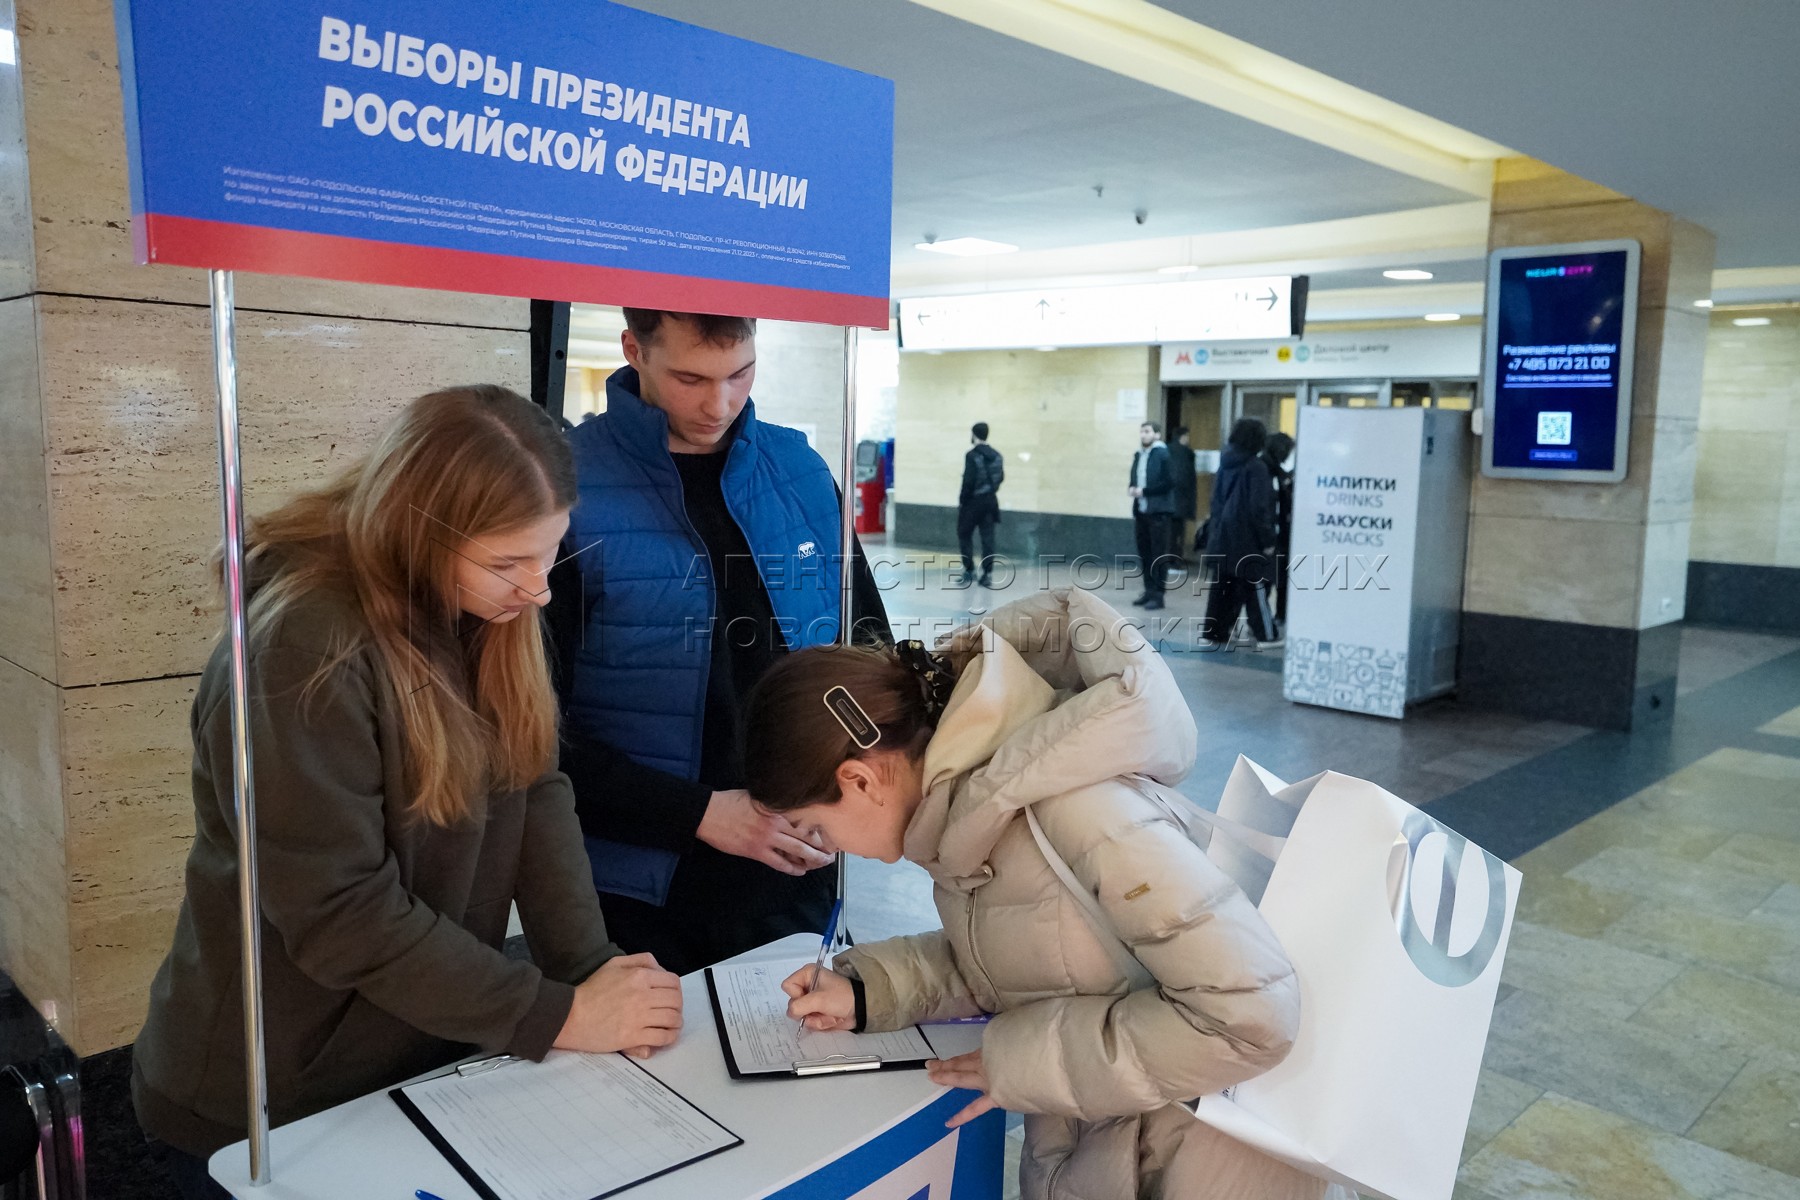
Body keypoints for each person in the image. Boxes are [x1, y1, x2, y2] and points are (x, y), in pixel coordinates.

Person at [133, 387, 683, 1200]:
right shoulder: (300, 648)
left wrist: (591, 973)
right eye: (507, 564)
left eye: (550, 553)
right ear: (419, 533)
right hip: (275, 1093)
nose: (540, 591)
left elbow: (535, 786)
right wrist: (555, 1014)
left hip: (420, 1048)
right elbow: (341, 911)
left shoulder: (486, 607)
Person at [741, 589, 1344, 1200]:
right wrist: (870, 991)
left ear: (859, 778)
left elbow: (1250, 1014)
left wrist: (1024, 1064)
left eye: (818, 827)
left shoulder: (1074, 808)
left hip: (1195, 1168)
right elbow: (1026, 959)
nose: (829, 846)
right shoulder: (972, 815)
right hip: (1108, 1148)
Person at [549, 308, 891, 977]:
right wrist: (700, 813)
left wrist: (855, 778)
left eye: (741, 374)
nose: (720, 403)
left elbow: (864, 651)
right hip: (634, 886)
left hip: (796, 862)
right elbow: (527, 730)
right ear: (633, 350)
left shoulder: (796, 468)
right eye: (690, 377)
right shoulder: (565, 487)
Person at [1203, 417, 1278, 647]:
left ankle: (1214, 632)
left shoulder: (1225, 462)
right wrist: (1267, 538)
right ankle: (1266, 634)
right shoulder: (1256, 467)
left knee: (1222, 586)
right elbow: (1259, 507)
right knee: (1255, 585)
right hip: (1247, 539)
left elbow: (1215, 501)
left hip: (1222, 536)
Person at [1127, 421, 1177, 609]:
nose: (1143, 435)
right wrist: (1132, 487)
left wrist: (1145, 492)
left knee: (1158, 555)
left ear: (1157, 434)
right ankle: (1148, 591)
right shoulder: (1139, 454)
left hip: (1159, 512)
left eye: (1147, 431)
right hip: (1141, 510)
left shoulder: (1163, 454)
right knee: (1145, 553)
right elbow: (1135, 477)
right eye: (1141, 431)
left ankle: (1158, 594)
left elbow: (1170, 482)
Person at [956, 421, 1004, 588]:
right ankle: (987, 573)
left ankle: (969, 570)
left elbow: (968, 481)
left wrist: (962, 501)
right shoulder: (997, 456)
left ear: (974, 434)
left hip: (973, 502)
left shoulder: (972, 456)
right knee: (988, 538)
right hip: (991, 501)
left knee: (964, 534)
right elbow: (1001, 477)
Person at [1260, 431, 1297, 630]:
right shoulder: (1265, 470)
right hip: (1275, 535)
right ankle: (1266, 620)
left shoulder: (1277, 471)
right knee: (1270, 579)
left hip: (1280, 535)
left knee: (1279, 577)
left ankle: (1277, 615)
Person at [1167, 424, 1199, 554]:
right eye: (1187, 436)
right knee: (1178, 532)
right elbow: (1186, 478)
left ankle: (1169, 559)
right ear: (1183, 437)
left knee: (1169, 533)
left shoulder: (1166, 450)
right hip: (1180, 500)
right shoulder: (1186, 453)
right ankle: (1175, 559)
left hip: (1167, 500)